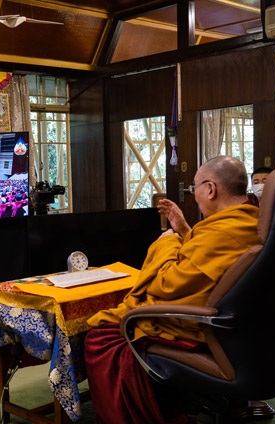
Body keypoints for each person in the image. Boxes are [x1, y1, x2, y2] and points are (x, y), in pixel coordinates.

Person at [84, 156, 262, 424]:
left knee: (103, 337)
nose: (195, 196)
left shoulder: (222, 232)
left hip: (201, 328)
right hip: (244, 328)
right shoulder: (251, 221)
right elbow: (207, 262)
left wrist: (165, 243)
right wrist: (185, 230)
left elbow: (167, 284)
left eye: (194, 188)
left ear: (211, 189)